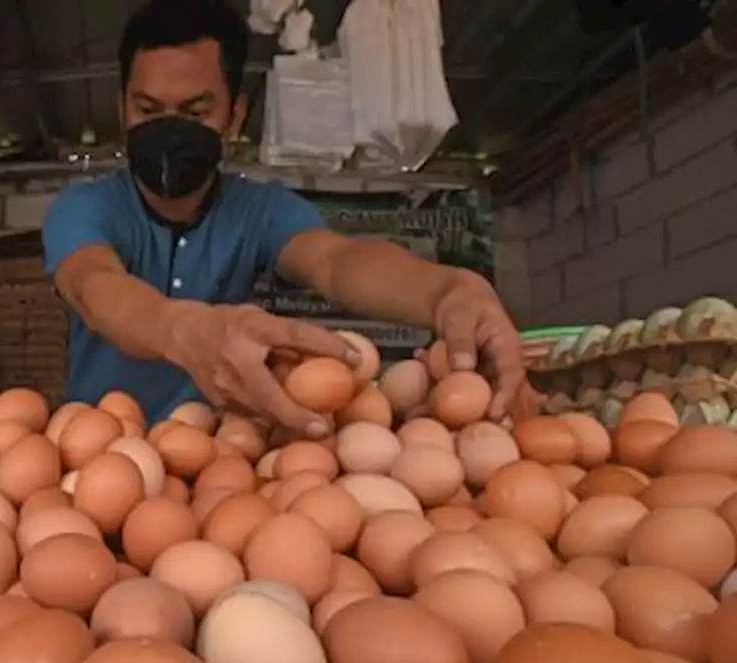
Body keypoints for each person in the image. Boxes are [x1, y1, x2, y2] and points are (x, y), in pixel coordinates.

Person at [43, 0, 524, 435]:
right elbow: (93, 285)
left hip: (221, 456)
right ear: (122, 110)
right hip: (99, 451)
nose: (169, 129)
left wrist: (446, 292)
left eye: (195, 111)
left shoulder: (259, 209)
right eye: (147, 109)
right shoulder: (86, 208)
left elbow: (337, 261)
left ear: (233, 116)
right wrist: (183, 329)